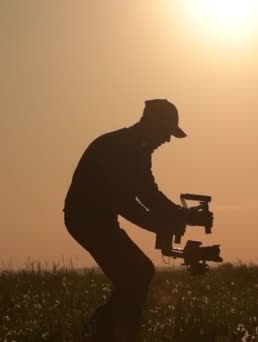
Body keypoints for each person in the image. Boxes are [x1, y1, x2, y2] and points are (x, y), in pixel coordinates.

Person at [63, 99, 209, 341]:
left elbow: (149, 194)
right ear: (152, 125)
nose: (167, 140)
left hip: (101, 219)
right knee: (138, 273)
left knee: (134, 276)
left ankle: (110, 331)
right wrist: (160, 224)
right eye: (166, 132)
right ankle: (109, 331)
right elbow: (124, 202)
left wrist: (181, 215)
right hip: (85, 220)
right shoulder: (118, 148)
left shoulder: (138, 152)